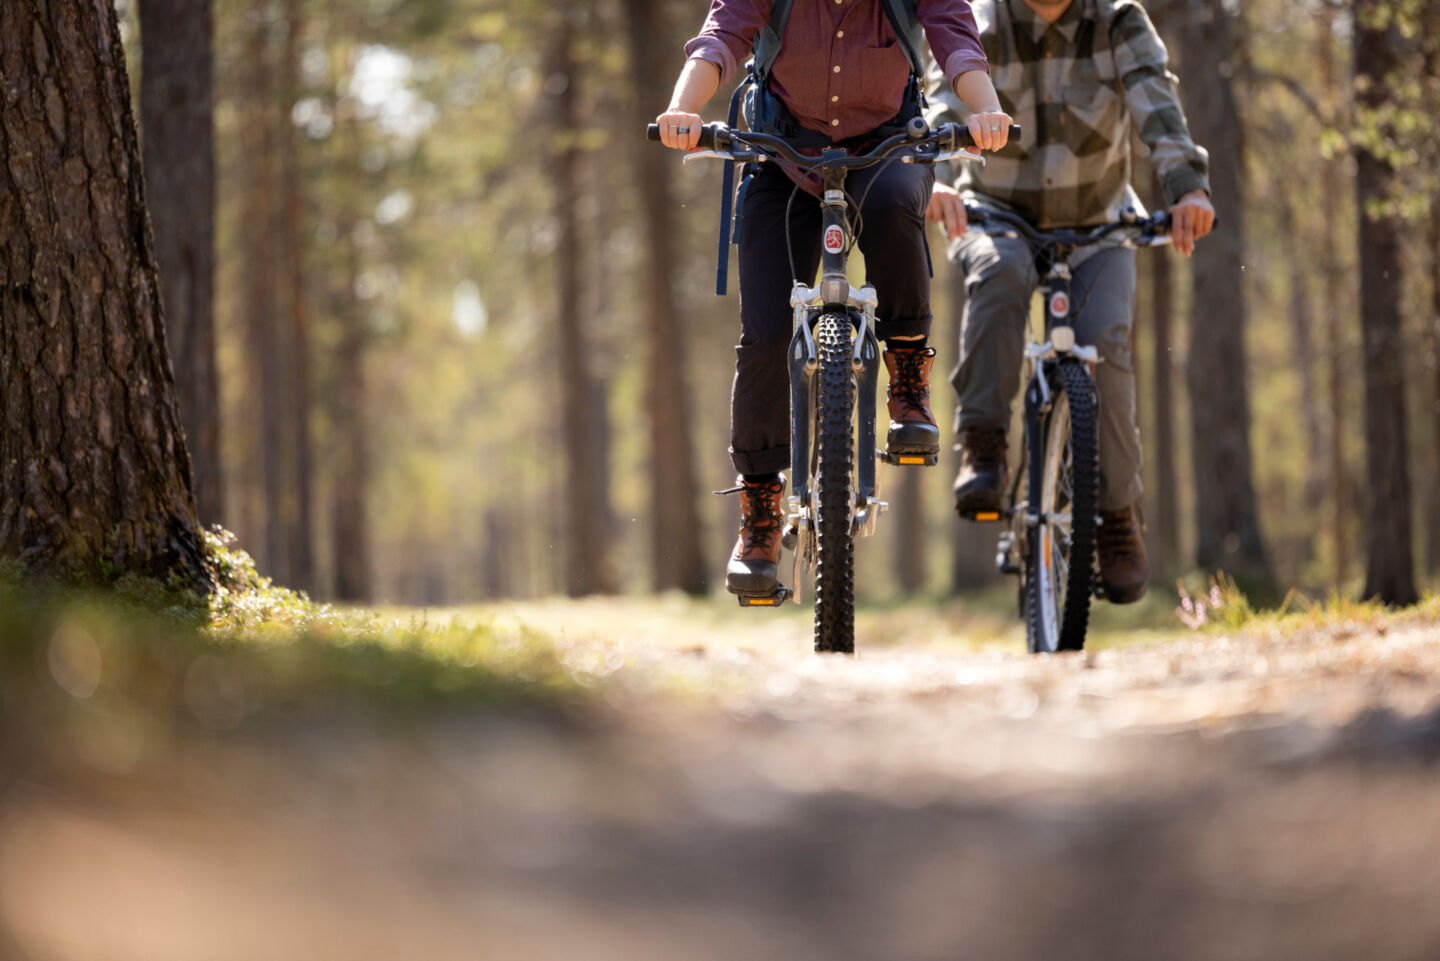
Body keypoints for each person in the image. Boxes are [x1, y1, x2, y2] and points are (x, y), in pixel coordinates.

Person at [658, 0, 1012, 598]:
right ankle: (762, 512)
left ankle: (904, 374)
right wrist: (682, 109)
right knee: (766, 335)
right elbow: (721, 36)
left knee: (899, 205)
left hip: (886, 148)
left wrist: (988, 111)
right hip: (782, 155)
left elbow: (955, 39)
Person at [925, 0, 1214, 603]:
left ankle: (1116, 517)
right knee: (998, 279)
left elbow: (1156, 101)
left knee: (1107, 340)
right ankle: (983, 444)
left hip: (1099, 220)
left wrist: (1187, 187)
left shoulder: (1118, 22)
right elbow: (944, 97)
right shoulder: (983, 22)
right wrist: (937, 174)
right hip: (997, 213)